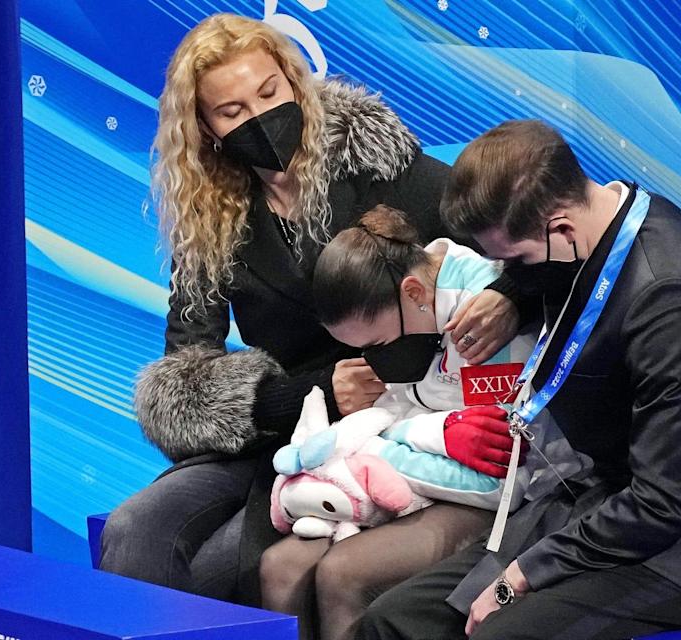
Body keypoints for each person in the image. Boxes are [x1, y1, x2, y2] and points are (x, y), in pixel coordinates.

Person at [99, 14, 523, 606]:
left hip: (398, 432)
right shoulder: (210, 222)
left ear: (296, 85)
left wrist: (506, 299)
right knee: (133, 532)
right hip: (276, 432)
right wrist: (297, 396)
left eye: (269, 94)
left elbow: (511, 249)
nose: (259, 117)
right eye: (232, 111)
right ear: (206, 130)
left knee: (215, 574)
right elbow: (183, 380)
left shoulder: (384, 166)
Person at [358, 120, 681, 640]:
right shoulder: (597, 220)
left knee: (500, 632)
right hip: (616, 495)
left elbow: (660, 503)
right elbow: (552, 276)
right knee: (395, 620)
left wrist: (519, 579)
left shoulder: (670, 300)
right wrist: (511, 293)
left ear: (561, 230)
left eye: (514, 261)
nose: (511, 273)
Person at [259, 205, 579, 640]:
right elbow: (385, 422)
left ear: (413, 293)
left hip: (492, 500)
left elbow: (502, 476)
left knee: (343, 573)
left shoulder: (485, 318)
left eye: (377, 345)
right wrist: (423, 436)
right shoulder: (398, 307)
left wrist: (369, 450)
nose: (376, 361)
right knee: (280, 567)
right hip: (404, 479)